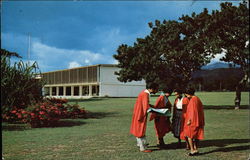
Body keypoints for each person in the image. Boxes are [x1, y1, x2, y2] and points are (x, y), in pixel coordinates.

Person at [130, 83, 159, 153]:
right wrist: (156, 111)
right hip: (141, 115)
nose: (156, 91)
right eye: (156, 89)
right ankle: (142, 148)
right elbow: (146, 107)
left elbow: (144, 104)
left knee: (138, 129)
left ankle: (140, 144)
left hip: (138, 114)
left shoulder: (143, 93)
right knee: (140, 131)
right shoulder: (145, 94)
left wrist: (153, 106)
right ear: (152, 89)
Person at [183, 88, 205, 156]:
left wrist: (189, 120)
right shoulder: (197, 99)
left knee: (189, 135)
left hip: (193, 120)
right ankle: (196, 149)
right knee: (196, 135)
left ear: (187, 94)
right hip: (198, 120)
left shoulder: (193, 100)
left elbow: (192, 111)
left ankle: (192, 150)